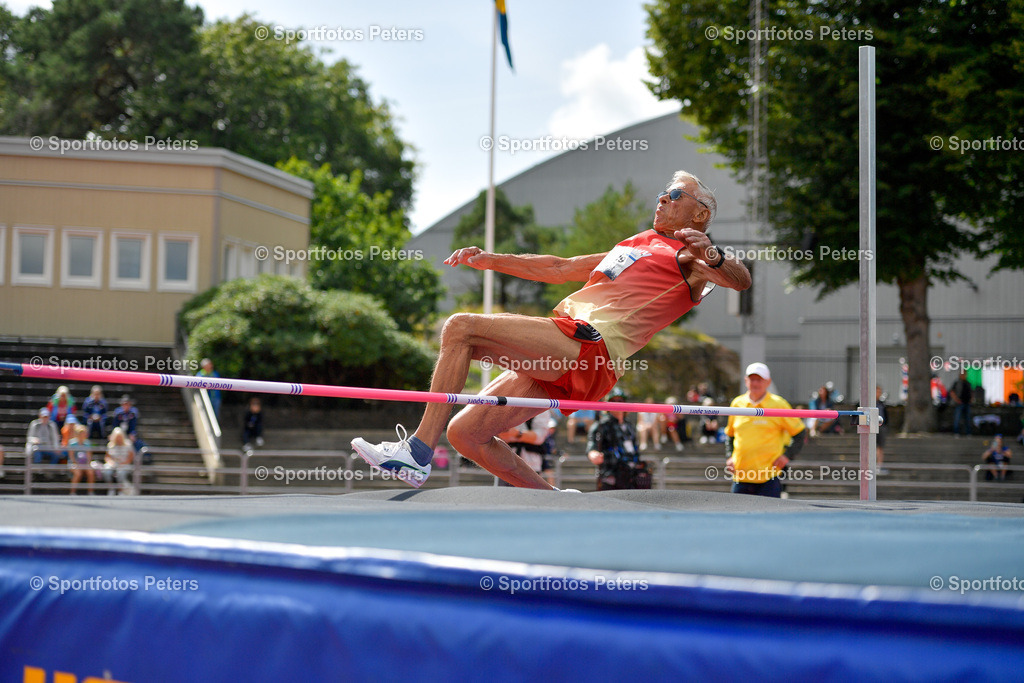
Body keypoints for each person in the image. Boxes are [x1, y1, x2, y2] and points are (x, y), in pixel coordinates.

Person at [352, 170, 751, 488]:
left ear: (699, 214)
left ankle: (417, 453)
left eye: (676, 194)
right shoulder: (637, 243)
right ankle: (553, 501)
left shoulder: (690, 257)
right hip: (569, 354)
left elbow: (741, 280)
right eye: (663, 192)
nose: (663, 198)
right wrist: (491, 260)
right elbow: (560, 267)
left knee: (460, 327)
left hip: (587, 345)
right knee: (464, 434)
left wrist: (712, 253)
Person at [724, 363, 807, 498]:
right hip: (740, 475)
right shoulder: (737, 403)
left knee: (770, 512)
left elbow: (799, 432)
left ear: (768, 382)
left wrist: (787, 455)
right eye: (752, 379)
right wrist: (729, 456)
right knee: (736, 512)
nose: (755, 383)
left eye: (759, 379)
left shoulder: (779, 405)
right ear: (746, 381)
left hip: (768, 478)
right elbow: (730, 434)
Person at [586, 390, 651, 491]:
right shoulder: (601, 425)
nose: (617, 404)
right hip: (612, 474)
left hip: (632, 475)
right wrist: (593, 454)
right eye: (613, 401)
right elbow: (592, 445)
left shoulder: (629, 425)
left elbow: (634, 448)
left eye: (620, 401)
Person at [103, 427, 135, 495]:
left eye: (120, 437)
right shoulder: (110, 445)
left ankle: (120, 491)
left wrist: (123, 463)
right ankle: (111, 489)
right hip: (113, 464)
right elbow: (107, 457)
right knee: (107, 471)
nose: (118, 438)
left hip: (124, 464)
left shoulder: (128, 444)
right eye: (117, 437)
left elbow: (131, 457)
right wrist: (111, 463)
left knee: (120, 473)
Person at [67, 424, 95, 495]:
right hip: (74, 463)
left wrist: (87, 464)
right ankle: (72, 492)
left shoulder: (87, 443)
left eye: (84, 433)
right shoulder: (72, 443)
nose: (83, 435)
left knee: (90, 472)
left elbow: (89, 456)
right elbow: (71, 456)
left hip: (85, 464)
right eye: (81, 433)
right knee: (78, 473)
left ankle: (90, 491)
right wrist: (76, 464)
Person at [950, 371, 973, 436]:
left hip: (967, 403)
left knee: (967, 419)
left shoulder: (968, 383)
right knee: (957, 418)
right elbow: (952, 392)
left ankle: (968, 432)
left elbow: (971, 392)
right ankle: (956, 432)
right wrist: (956, 399)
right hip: (959, 403)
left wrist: (971, 399)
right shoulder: (957, 383)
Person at [876, 385, 889, 475]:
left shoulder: (882, 404)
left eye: (880, 392)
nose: (879, 394)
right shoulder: (868, 403)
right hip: (871, 427)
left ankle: (879, 466)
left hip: (881, 427)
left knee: (880, 447)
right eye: (877, 392)